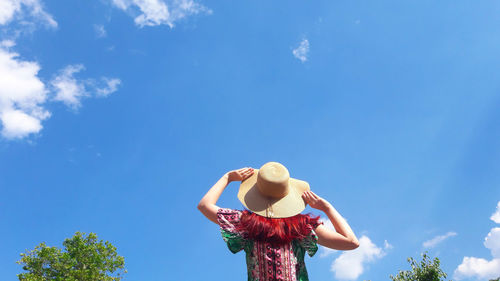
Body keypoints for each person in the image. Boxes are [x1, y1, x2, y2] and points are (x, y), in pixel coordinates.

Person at [198, 162, 359, 281]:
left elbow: (205, 206)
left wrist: (227, 177)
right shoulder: (301, 226)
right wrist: (326, 207)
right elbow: (351, 242)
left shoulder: (246, 222)